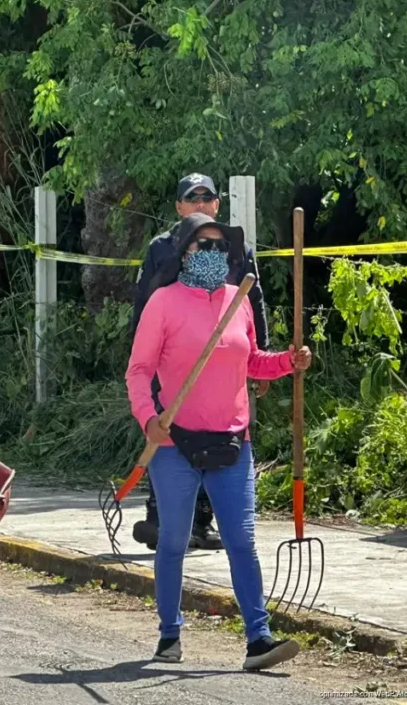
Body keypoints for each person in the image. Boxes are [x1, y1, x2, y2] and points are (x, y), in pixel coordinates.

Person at [126, 213, 312, 670]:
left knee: (242, 540)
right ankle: (169, 634)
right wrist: (149, 418)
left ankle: (258, 639)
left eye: (218, 247)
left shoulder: (240, 300)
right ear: (184, 253)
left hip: (232, 441)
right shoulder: (163, 303)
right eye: (201, 246)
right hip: (175, 446)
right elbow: (138, 372)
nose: (212, 254)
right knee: (173, 541)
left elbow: (253, 363)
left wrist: (289, 361)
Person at [129, 173, 270, 551]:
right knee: (170, 434)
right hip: (173, 357)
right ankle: (164, 519)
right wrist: (141, 360)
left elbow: (254, 305)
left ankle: (201, 522)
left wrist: (261, 358)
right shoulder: (164, 248)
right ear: (179, 207)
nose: (201, 205)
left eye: (208, 199)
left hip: (225, 363)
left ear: (218, 205)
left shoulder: (235, 247)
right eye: (193, 199)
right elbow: (143, 305)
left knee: (219, 438)